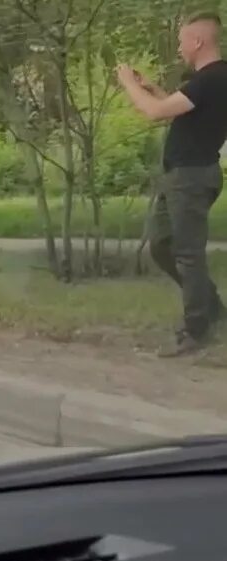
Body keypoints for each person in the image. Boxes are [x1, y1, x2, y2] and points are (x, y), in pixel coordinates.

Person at [118, 12, 227, 357]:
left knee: (188, 254)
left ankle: (198, 329)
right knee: (162, 245)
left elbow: (155, 113)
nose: (180, 47)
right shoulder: (211, 80)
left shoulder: (210, 79)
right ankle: (212, 310)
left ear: (198, 41)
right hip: (184, 174)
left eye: (182, 41)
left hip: (191, 177)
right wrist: (153, 89)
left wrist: (129, 84)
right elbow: (179, 110)